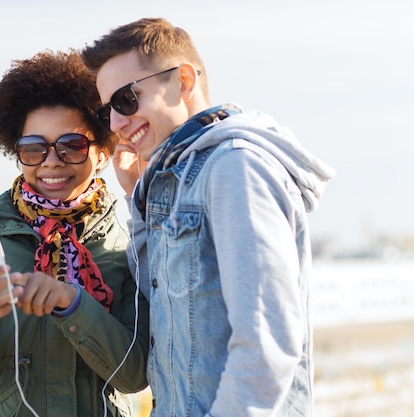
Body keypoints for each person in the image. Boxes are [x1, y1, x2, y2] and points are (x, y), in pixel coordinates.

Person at [81, 17, 336, 417]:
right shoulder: (176, 177)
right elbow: (164, 303)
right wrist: (136, 195)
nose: (116, 124)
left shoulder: (235, 166)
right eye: (106, 113)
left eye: (127, 100)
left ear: (183, 81)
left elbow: (267, 341)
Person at [0, 50, 149, 417]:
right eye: (33, 148)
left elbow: (134, 374)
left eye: (72, 145)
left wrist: (73, 303)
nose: (51, 161)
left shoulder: (129, 240)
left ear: (104, 151)